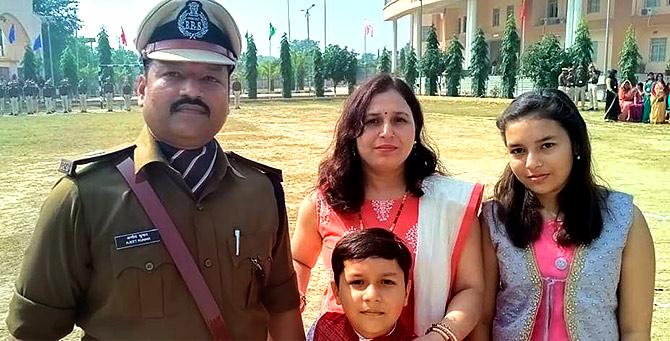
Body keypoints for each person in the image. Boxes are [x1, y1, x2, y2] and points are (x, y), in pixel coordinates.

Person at [5, 0, 304, 339]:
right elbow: (32, 330)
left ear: (228, 92)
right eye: (172, 74)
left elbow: (282, 306)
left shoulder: (260, 192)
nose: (192, 90)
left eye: (210, 77)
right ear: (142, 88)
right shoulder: (82, 198)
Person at [291, 74, 485, 339]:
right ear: (352, 132)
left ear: (416, 130)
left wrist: (440, 336)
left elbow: (471, 289)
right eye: (372, 121)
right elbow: (299, 260)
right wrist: (291, 308)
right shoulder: (323, 203)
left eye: (399, 120)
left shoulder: (451, 204)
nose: (386, 131)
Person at [473, 89, 655, 340]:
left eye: (547, 145)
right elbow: (481, 321)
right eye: (518, 151)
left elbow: (635, 330)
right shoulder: (495, 219)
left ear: (576, 144)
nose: (531, 163)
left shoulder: (624, 219)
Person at [307, 228, 417, 341]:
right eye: (357, 282)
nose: (372, 296)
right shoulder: (323, 330)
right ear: (336, 292)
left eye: (387, 282)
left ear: (406, 293)